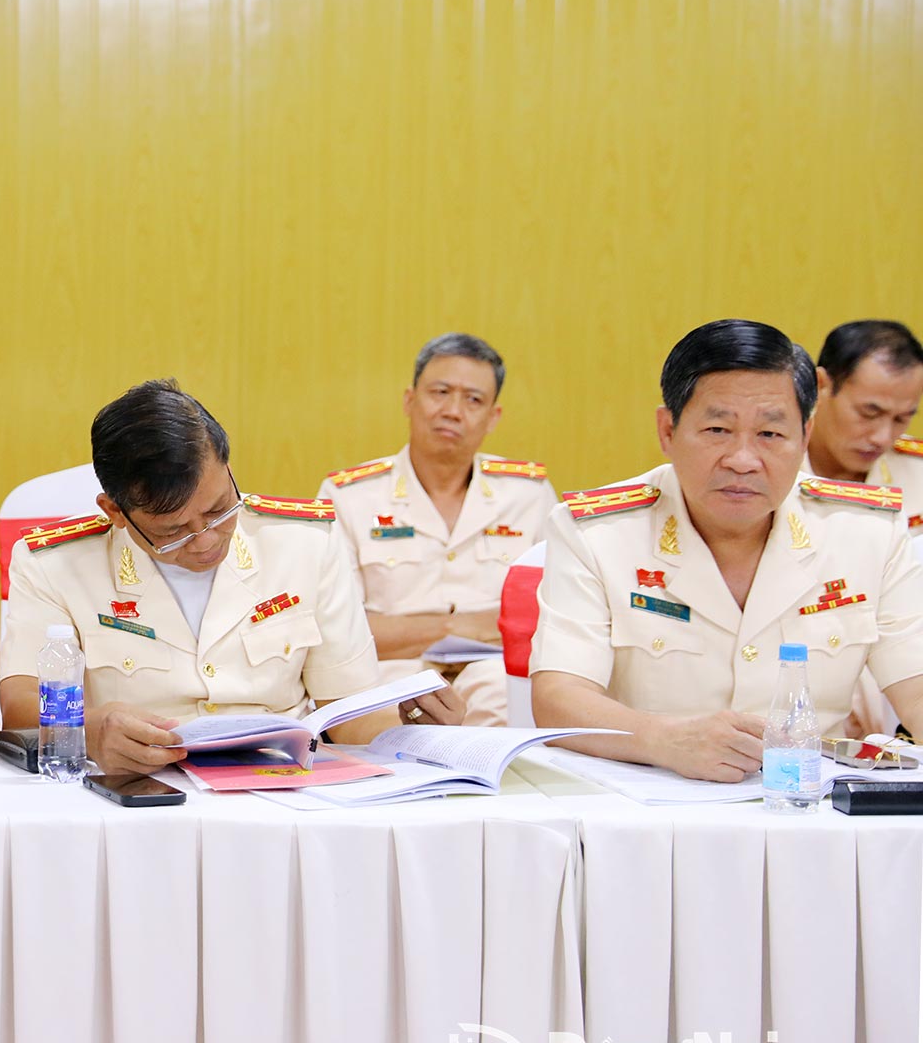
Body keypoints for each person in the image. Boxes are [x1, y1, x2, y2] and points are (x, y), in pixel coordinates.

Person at [0, 379, 463, 780]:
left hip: (281, 787)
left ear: (229, 470)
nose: (204, 541)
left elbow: (348, 713)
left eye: (220, 510)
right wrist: (91, 730)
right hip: (135, 791)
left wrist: (414, 734)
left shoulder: (304, 543)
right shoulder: (54, 563)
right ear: (115, 512)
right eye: (172, 533)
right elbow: (19, 704)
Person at [531, 320, 923, 780]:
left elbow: (914, 687)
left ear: (804, 434)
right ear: (668, 429)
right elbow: (558, 696)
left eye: (771, 435)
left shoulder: (868, 532)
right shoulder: (596, 533)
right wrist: (662, 739)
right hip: (647, 804)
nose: (743, 460)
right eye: (717, 429)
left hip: (810, 807)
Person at [316, 333, 558, 726]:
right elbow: (336, 629)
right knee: (385, 712)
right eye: (440, 392)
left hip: (495, 668)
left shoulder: (528, 494)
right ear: (409, 401)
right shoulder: (349, 497)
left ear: (493, 417)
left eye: (473, 400)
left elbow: (552, 614)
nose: (453, 410)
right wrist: (454, 627)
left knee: (511, 698)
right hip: (391, 669)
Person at [804, 320, 923, 530]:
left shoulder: (917, 471)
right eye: (869, 413)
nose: (883, 438)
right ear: (820, 385)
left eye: (901, 419)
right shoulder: (762, 463)